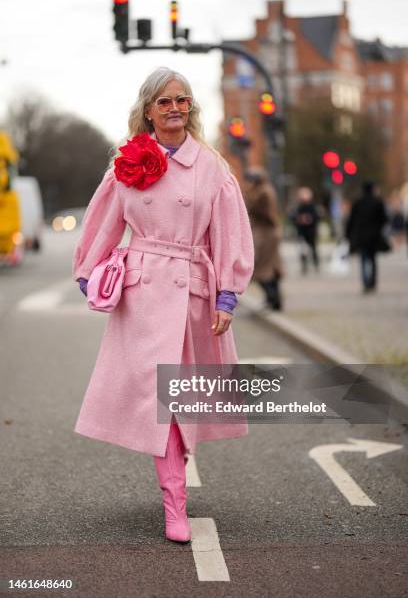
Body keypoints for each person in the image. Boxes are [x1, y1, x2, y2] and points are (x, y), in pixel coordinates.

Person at [72, 67, 254, 543]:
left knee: (181, 397)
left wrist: (227, 294)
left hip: (192, 292)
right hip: (143, 294)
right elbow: (104, 224)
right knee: (162, 400)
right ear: (148, 109)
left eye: (183, 100)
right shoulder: (127, 163)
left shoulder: (212, 167)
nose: (175, 108)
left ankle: (175, 477)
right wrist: (90, 276)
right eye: (165, 101)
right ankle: (175, 502)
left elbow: (229, 233)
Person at [243, 166, 284, 310]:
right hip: (269, 233)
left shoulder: (263, 193)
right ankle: (273, 300)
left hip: (266, 234)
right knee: (270, 268)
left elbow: (249, 205)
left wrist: (248, 190)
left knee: (262, 268)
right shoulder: (266, 190)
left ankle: (273, 298)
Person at [345, 180, 389, 293]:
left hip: (361, 236)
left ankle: (365, 282)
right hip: (374, 236)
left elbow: (351, 220)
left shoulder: (358, 203)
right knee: (373, 260)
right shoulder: (378, 202)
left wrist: (348, 234)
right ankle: (372, 282)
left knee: (364, 259)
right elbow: (384, 219)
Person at [290, 187, 320, 274]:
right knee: (302, 250)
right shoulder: (298, 207)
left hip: (311, 232)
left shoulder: (313, 207)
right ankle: (304, 265)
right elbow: (293, 217)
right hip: (301, 232)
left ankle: (316, 263)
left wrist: (310, 219)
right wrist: (299, 219)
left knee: (313, 248)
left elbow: (316, 217)